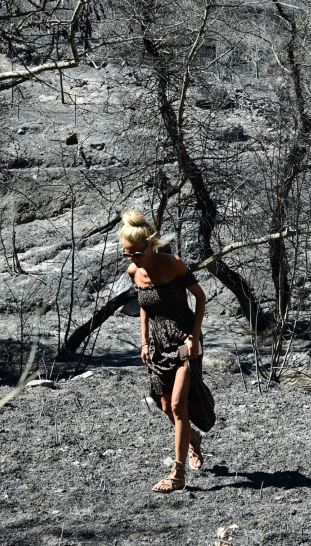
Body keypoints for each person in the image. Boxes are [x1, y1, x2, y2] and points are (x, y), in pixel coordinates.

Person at [119, 211, 216, 492]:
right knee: (164, 406)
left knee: (177, 405)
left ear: (150, 246)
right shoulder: (133, 272)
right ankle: (192, 439)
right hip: (158, 345)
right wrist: (145, 342)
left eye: (136, 253)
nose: (132, 259)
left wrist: (194, 338)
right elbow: (145, 307)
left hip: (185, 339)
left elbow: (200, 297)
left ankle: (178, 474)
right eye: (127, 254)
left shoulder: (173, 264)